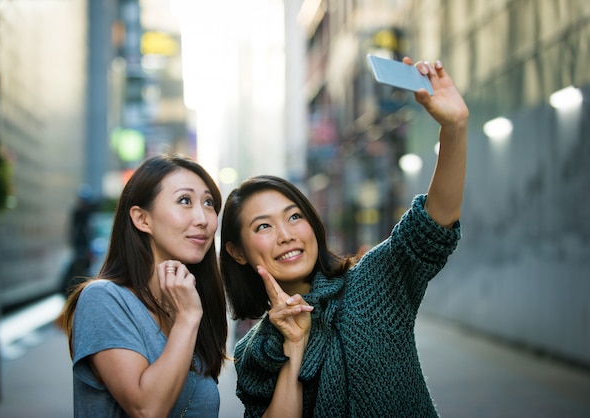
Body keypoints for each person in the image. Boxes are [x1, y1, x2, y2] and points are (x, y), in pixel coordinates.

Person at [219, 57, 469, 417]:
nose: (286, 235)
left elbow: (431, 225)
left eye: (294, 217)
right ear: (237, 252)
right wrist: (294, 347)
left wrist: (454, 129)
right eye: (264, 226)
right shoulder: (254, 351)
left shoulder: (370, 284)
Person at [59, 153, 228, 417]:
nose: (203, 218)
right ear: (142, 219)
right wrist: (187, 319)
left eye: (209, 203)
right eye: (185, 200)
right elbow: (146, 409)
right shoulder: (103, 299)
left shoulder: (187, 300)